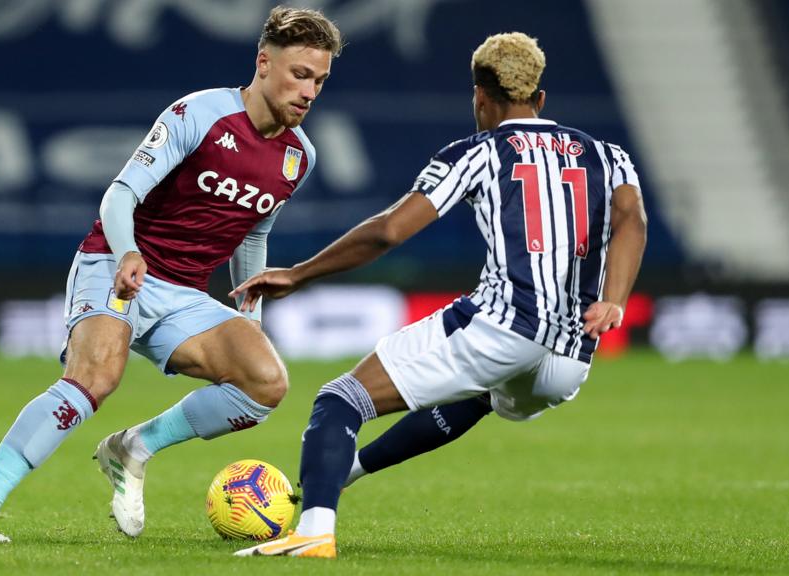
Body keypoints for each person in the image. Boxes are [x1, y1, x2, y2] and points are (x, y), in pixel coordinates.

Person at [230, 31, 647, 558]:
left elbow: (388, 231)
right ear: (540, 99)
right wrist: (614, 299)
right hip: (570, 356)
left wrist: (300, 274)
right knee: (478, 394)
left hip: (503, 324)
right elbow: (631, 218)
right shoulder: (607, 154)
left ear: (478, 96)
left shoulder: (477, 152)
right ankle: (343, 472)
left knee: (339, 400)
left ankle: (314, 531)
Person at [0, 6, 343, 542]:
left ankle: (134, 447)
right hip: (117, 261)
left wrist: (250, 314)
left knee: (265, 382)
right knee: (95, 378)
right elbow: (121, 193)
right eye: (299, 74)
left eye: (320, 80)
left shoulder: (299, 156)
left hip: (184, 293)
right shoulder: (198, 114)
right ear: (263, 63)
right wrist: (129, 252)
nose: (309, 91)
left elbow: (251, 233)